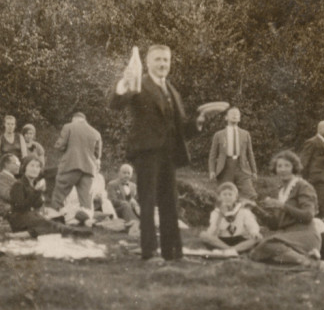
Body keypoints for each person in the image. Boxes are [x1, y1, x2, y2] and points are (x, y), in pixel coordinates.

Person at [109, 44, 205, 262]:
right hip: (147, 153)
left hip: (169, 155)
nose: (163, 64)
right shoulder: (139, 84)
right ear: (148, 62)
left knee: (170, 203)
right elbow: (115, 103)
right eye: (158, 60)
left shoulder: (172, 91)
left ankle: (174, 255)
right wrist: (123, 84)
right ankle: (150, 253)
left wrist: (197, 123)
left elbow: (181, 127)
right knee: (148, 202)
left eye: (166, 60)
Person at [8, 155, 92, 238]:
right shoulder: (18, 185)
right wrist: (37, 191)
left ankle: (28, 234)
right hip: (19, 219)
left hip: (31, 217)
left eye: (38, 167)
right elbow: (20, 207)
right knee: (49, 224)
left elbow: (37, 205)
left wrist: (39, 193)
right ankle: (74, 232)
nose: (35, 169)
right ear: (24, 168)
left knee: (53, 222)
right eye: (32, 166)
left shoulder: (33, 185)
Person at [49, 112, 102, 212]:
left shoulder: (68, 126)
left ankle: (54, 220)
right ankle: (87, 224)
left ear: (74, 119)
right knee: (86, 203)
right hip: (88, 170)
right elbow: (98, 155)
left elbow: (60, 146)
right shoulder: (96, 133)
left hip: (70, 166)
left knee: (58, 197)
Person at [208, 106, 258, 200]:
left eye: (237, 114)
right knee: (225, 195)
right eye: (232, 113)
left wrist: (254, 171)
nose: (235, 115)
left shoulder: (245, 134)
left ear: (239, 118)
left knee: (250, 194)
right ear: (226, 117)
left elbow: (250, 154)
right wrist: (212, 171)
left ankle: (247, 213)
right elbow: (213, 155)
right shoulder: (219, 135)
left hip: (242, 167)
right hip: (225, 168)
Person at [200, 182, 261, 255]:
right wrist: (220, 216)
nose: (227, 197)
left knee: (259, 237)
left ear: (235, 197)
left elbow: (252, 225)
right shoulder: (216, 212)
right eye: (224, 194)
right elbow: (212, 232)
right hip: (222, 240)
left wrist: (254, 232)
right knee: (203, 235)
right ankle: (231, 250)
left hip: (239, 239)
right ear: (220, 197)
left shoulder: (243, 211)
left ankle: (231, 250)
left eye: (230, 194)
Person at [299, 120, 324, 229]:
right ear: (319, 129)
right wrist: (305, 178)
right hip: (315, 178)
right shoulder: (312, 142)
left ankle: (321, 227)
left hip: (323, 177)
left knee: (321, 202)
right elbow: (304, 161)